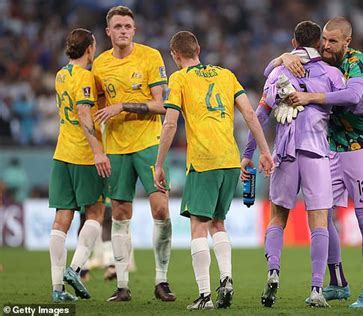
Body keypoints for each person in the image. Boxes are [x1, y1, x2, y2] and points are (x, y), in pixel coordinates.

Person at [266, 17, 363, 308]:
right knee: (323, 213)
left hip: (360, 146)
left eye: (333, 41)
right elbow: (269, 71)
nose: (326, 45)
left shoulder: (357, 61)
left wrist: (310, 96)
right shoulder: (315, 63)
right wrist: (282, 56)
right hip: (330, 146)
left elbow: (354, 98)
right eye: (324, 40)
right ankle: (337, 282)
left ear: (347, 42)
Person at [154, 31, 274, 310]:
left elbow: (170, 124)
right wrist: (264, 151)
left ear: (175, 55)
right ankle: (227, 278)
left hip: (203, 160)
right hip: (230, 160)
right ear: (198, 49)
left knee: (198, 226)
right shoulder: (225, 74)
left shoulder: (179, 78)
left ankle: (206, 295)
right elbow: (250, 114)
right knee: (218, 223)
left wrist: (159, 164)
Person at [242, 20, 349, 308]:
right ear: (319, 45)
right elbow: (350, 101)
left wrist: (248, 153)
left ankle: (274, 271)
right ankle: (316, 288)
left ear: (293, 44)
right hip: (316, 153)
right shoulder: (331, 73)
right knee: (319, 223)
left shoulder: (278, 72)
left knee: (277, 218)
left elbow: (259, 115)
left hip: (285, 153)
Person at [92, 5, 174, 302]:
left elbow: (161, 105)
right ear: (108, 31)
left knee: (161, 210)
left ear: (134, 30)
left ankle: (161, 280)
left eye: (128, 26)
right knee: (121, 214)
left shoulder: (151, 56)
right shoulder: (99, 66)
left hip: (149, 144)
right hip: (115, 148)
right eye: (118, 26)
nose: (123, 30)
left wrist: (123, 105)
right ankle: (123, 285)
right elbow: (97, 108)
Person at [49, 28, 111, 302]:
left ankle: (57, 289)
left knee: (61, 219)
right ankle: (75, 268)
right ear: (89, 48)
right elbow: (85, 113)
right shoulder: (85, 76)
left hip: (61, 154)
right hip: (83, 155)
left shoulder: (61, 75)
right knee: (95, 213)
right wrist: (98, 151)